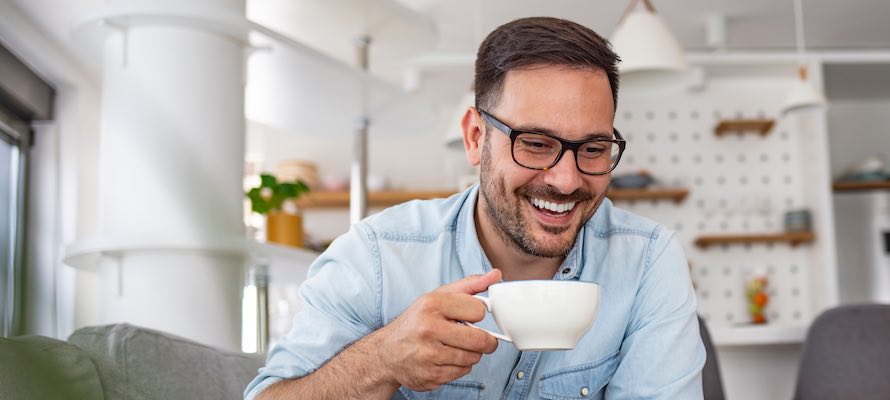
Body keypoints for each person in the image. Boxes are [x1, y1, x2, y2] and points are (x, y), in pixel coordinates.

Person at [246, 16, 704, 399]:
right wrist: (381, 359)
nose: (566, 179)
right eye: (536, 143)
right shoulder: (379, 256)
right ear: (475, 138)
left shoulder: (647, 262)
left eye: (593, 148)